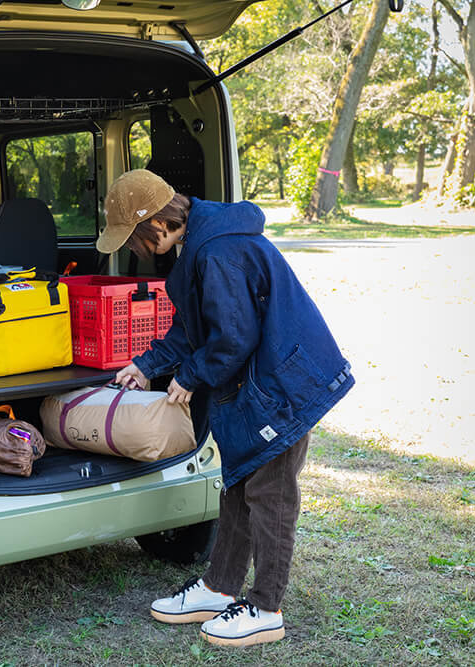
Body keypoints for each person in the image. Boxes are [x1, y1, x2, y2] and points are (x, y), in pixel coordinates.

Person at [99, 170, 353, 647]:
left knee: (271, 496)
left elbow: (233, 338)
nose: (132, 249)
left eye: (131, 237)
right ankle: (218, 588)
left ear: (153, 223)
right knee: (237, 484)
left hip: (282, 385)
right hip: (258, 382)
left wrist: (189, 377)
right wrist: (146, 363)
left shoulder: (218, 252)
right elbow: (197, 324)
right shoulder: (200, 243)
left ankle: (265, 608)